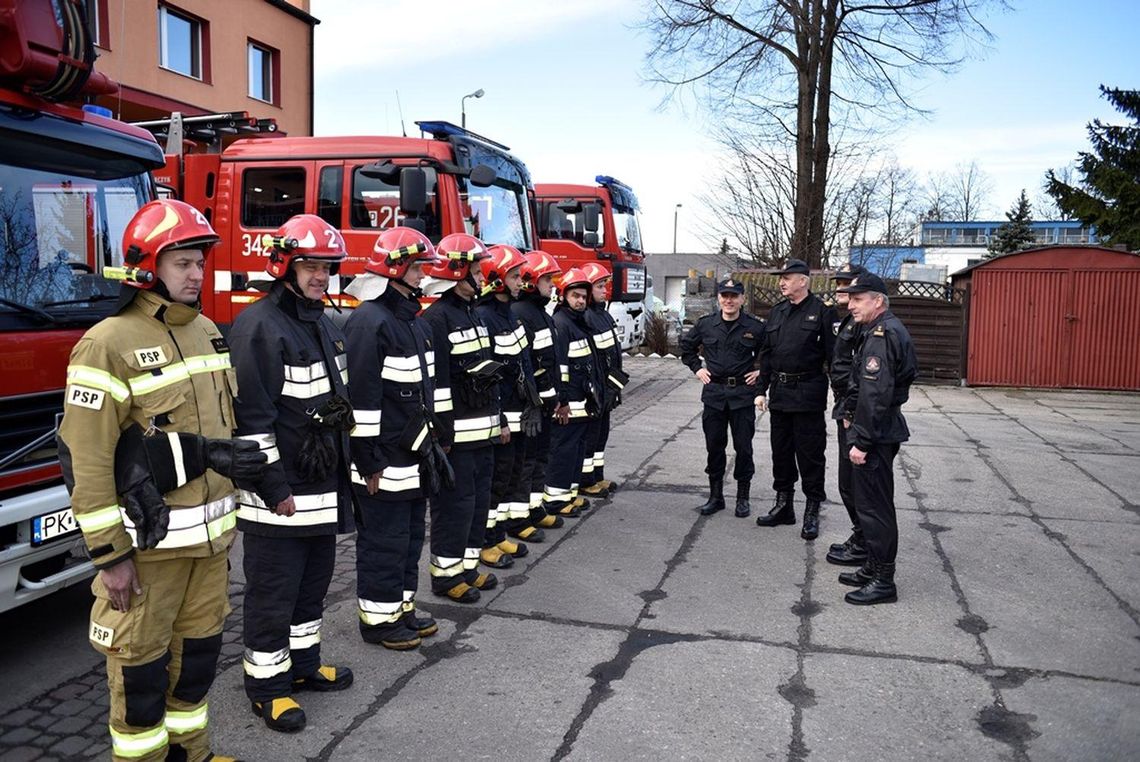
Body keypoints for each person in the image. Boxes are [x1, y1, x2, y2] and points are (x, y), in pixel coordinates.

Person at [58, 199, 264, 762]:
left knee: (195, 667)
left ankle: (192, 755)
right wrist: (110, 556)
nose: (197, 274)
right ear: (149, 267)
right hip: (146, 557)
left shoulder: (206, 332)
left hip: (210, 549)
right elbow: (89, 460)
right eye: (183, 263)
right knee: (141, 682)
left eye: (200, 262)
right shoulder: (107, 343)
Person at [229, 215, 356, 733]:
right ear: (284, 265)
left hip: (321, 489)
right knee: (273, 594)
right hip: (279, 497)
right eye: (309, 265)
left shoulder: (322, 321)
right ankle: (267, 688)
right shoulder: (259, 325)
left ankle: (303, 667)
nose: (320, 275)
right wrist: (274, 488)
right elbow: (251, 421)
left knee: (310, 591)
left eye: (326, 266)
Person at [343, 226, 448, 651]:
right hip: (382, 461)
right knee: (383, 542)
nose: (424, 276)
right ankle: (378, 621)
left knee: (406, 541)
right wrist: (367, 462)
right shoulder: (371, 322)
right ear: (396, 268)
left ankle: (400, 609)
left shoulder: (412, 323)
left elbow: (425, 391)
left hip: (412, 455)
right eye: (419, 267)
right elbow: (362, 400)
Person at [420, 233, 505, 603]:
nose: (482, 278)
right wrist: (442, 432)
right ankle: (445, 576)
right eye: (475, 270)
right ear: (456, 273)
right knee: (453, 508)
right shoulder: (436, 319)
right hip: (456, 437)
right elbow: (436, 382)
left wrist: (499, 421)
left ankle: (467, 568)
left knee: (476, 504)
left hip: (483, 432)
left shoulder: (473, 313)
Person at [835, 273, 917, 605]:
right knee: (868, 503)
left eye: (857, 299)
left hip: (876, 434)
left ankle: (884, 580)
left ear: (878, 301)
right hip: (876, 429)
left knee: (875, 508)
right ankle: (872, 565)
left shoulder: (882, 335)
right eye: (850, 298)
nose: (851, 304)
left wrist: (862, 442)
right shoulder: (877, 330)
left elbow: (876, 393)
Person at [754, 259, 837, 538]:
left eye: (787, 277)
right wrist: (760, 389)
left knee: (810, 455)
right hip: (780, 393)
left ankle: (811, 511)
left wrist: (841, 398)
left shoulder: (823, 313)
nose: (781, 282)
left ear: (803, 280)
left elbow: (834, 357)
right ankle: (783, 506)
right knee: (781, 453)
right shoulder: (777, 312)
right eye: (781, 277)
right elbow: (766, 354)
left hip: (808, 393)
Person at [476, 244, 545, 563]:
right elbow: (489, 377)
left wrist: (533, 400)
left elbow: (524, 362)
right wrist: (500, 419)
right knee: (496, 479)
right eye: (515, 276)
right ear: (497, 280)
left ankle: (499, 533)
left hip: (521, 414)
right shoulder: (486, 318)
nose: (521, 282)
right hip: (502, 417)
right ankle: (486, 541)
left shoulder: (510, 316)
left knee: (511, 476)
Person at [680, 277, 765, 517]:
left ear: (742, 299)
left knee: (744, 448)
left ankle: (742, 498)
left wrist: (760, 371)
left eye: (734, 296)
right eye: (725, 296)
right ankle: (716, 497)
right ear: (718, 298)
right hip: (715, 395)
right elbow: (686, 347)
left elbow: (769, 353)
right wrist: (697, 368)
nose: (729, 300)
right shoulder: (706, 325)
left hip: (742, 396)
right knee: (714, 447)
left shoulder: (755, 327)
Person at [542, 267, 606, 519]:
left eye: (583, 296)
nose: (580, 301)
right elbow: (560, 368)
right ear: (563, 296)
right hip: (569, 405)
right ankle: (556, 501)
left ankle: (568, 493)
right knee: (563, 451)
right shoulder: (562, 324)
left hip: (583, 403)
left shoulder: (579, 322)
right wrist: (563, 402)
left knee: (576, 450)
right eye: (575, 296)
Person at [512, 251, 566, 533]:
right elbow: (525, 364)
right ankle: (519, 518)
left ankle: (534, 508)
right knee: (526, 462)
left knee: (539, 458)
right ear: (532, 282)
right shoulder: (522, 315)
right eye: (547, 280)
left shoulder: (541, 314)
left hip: (545, 404)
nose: (551, 286)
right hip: (530, 407)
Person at [825, 264, 870, 567]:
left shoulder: (865, 325)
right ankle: (861, 535)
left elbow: (862, 375)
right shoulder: (848, 322)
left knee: (857, 484)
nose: (841, 290)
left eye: (847, 284)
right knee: (846, 484)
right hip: (845, 406)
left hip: (853, 411)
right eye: (839, 284)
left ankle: (866, 544)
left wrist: (850, 410)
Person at [580, 262, 628, 498]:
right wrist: (600, 389)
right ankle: (586, 481)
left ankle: (597, 476)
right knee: (591, 438)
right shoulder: (588, 317)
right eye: (600, 286)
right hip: (598, 389)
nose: (605, 290)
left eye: (605, 285)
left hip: (609, 386)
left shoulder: (603, 315)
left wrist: (614, 387)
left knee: (601, 436)